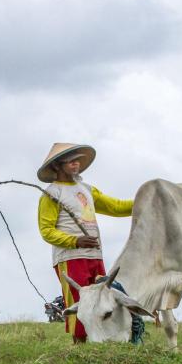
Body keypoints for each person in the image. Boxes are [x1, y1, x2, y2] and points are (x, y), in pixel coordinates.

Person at [36, 142, 133, 343]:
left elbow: (115, 207)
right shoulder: (52, 193)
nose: (76, 165)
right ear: (57, 166)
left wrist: (141, 202)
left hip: (95, 255)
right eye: (70, 162)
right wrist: (75, 241)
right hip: (70, 256)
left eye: (77, 160)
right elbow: (47, 231)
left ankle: (104, 340)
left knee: (101, 298)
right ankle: (78, 344)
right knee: (79, 300)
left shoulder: (87, 189)